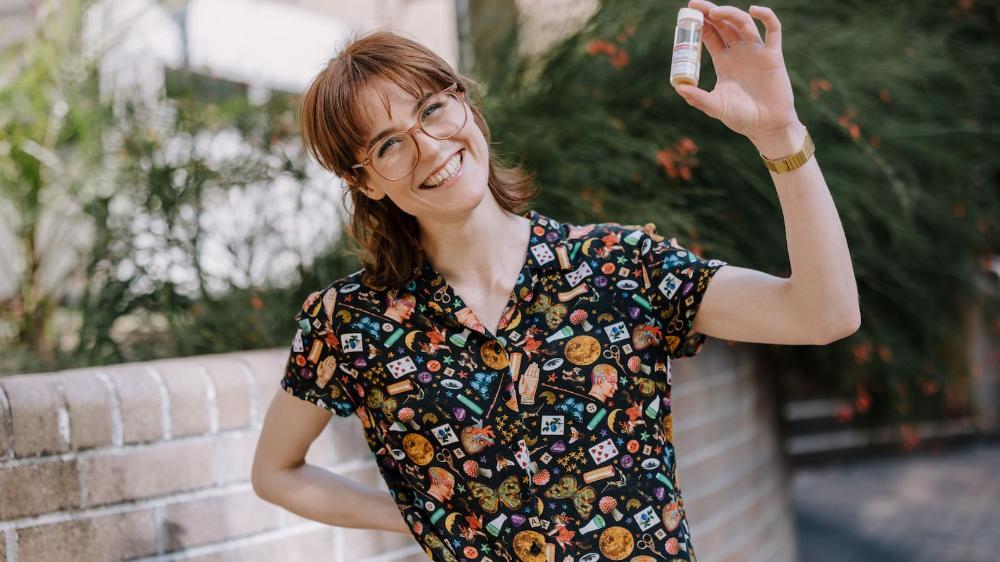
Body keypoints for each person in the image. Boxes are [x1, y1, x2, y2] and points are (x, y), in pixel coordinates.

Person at [251, 2, 861, 561]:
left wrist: (780, 135)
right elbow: (276, 472)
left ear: (466, 105)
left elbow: (823, 315)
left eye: (434, 109)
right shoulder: (348, 323)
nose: (431, 147)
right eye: (389, 145)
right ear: (366, 183)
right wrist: (420, 516)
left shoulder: (618, 264)